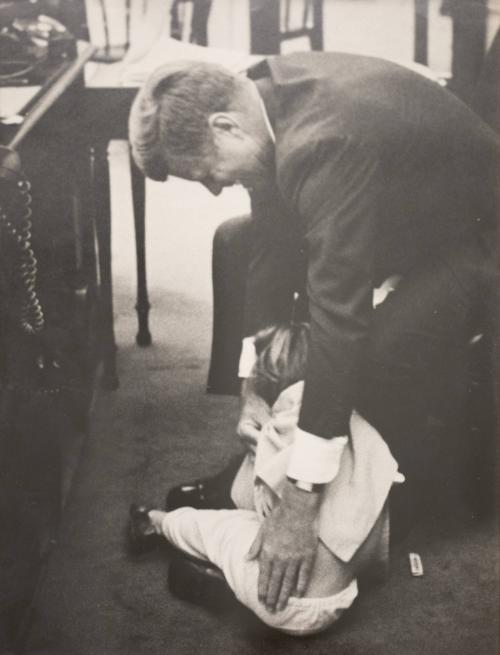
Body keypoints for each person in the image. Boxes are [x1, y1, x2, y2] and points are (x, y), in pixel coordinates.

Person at [128, 53, 498, 615]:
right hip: (411, 220)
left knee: (370, 354)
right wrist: (256, 379)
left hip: (477, 244)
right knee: (240, 251)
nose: (210, 188)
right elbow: (272, 247)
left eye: (204, 171)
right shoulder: (257, 97)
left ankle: (321, 501)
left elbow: (340, 317)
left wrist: (302, 500)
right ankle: (263, 480)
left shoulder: (323, 140)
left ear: (223, 125)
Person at [129, 323, 402, 635]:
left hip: (292, 603)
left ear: (271, 384)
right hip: (346, 584)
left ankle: (155, 522)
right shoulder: (355, 427)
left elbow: (246, 497)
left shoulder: (281, 426)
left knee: (222, 530)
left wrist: (258, 446)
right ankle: (233, 585)